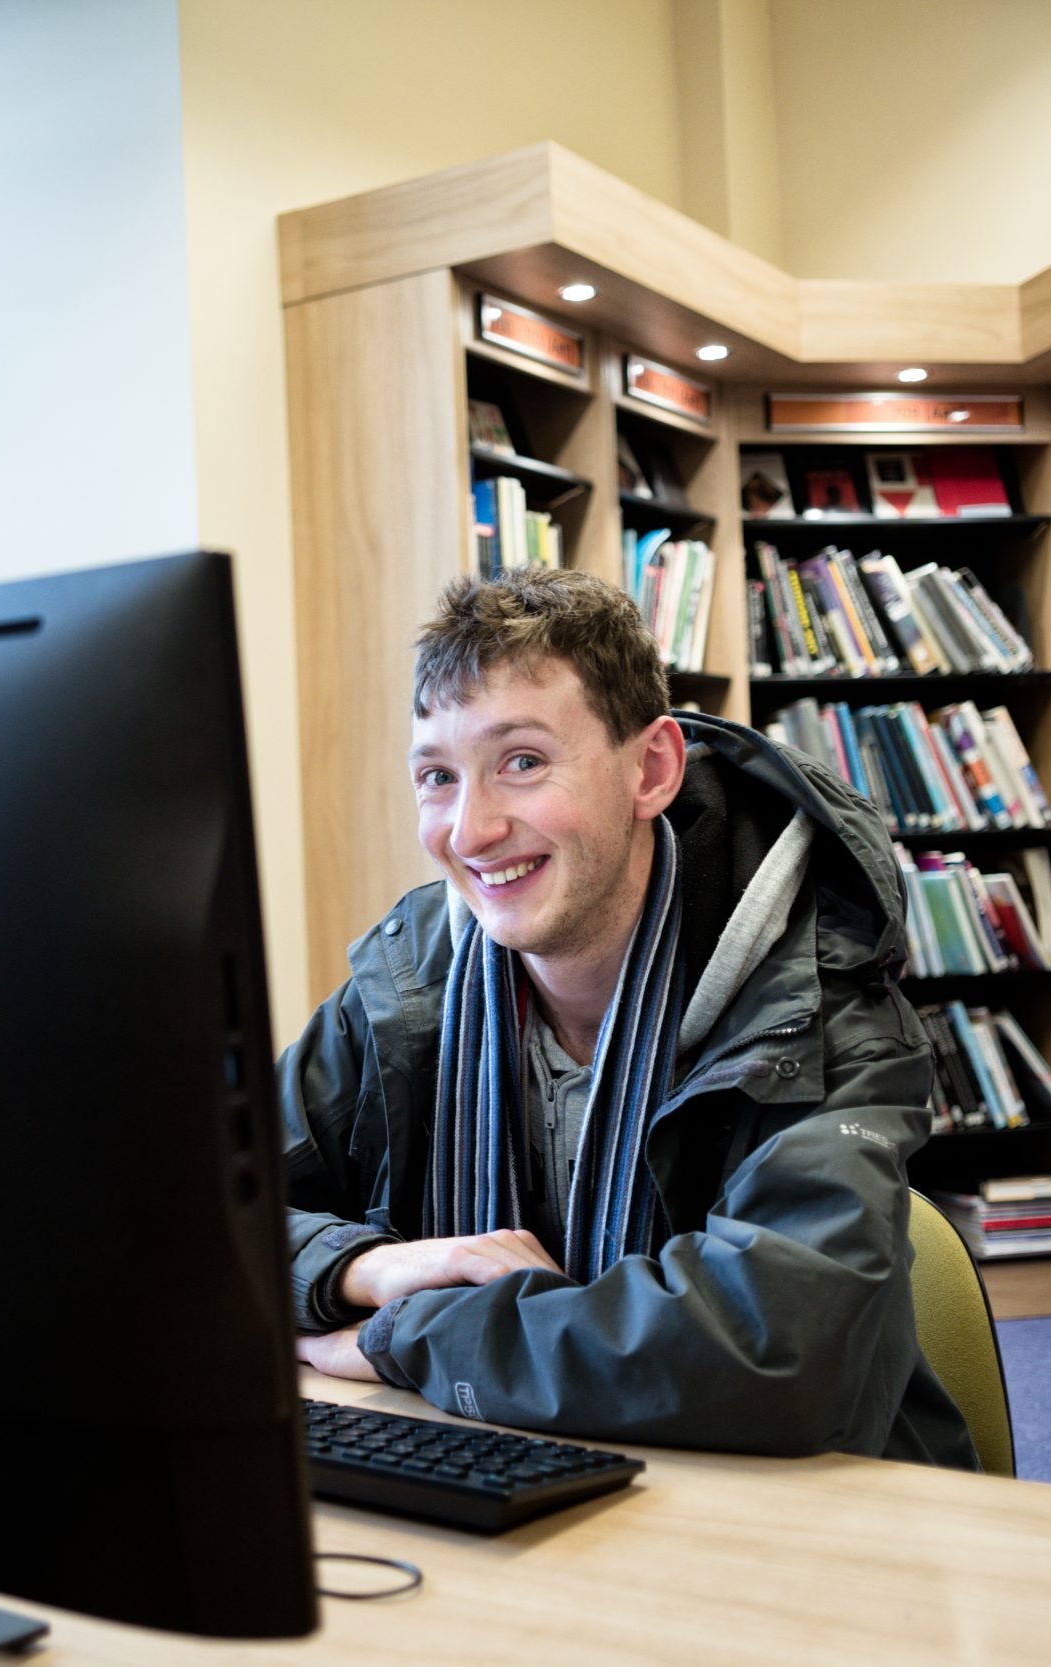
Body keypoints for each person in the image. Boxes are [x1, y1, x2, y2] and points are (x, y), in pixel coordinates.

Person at [279, 564, 977, 1467]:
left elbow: (775, 1356)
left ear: (650, 769)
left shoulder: (810, 1000)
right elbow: (193, 1217)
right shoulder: (407, 985)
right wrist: (358, 1270)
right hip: (509, 1493)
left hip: (805, 1530)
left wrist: (403, 1331)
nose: (471, 829)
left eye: (522, 762)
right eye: (438, 777)